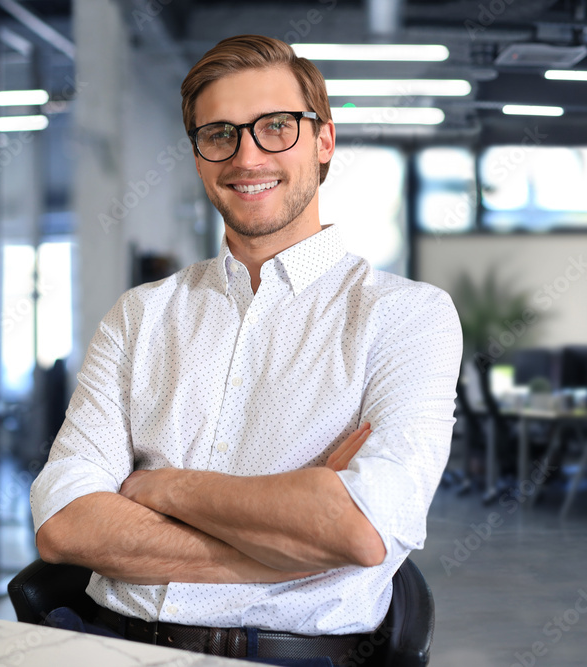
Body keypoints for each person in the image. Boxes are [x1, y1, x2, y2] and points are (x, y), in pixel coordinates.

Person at [30, 34, 462, 665]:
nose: (247, 155)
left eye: (276, 127)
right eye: (219, 134)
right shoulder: (140, 315)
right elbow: (64, 520)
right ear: (200, 155)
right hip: (114, 645)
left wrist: (158, 487)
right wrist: (288, 544)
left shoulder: (406, 316)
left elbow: (361, 528)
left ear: (324, 142)